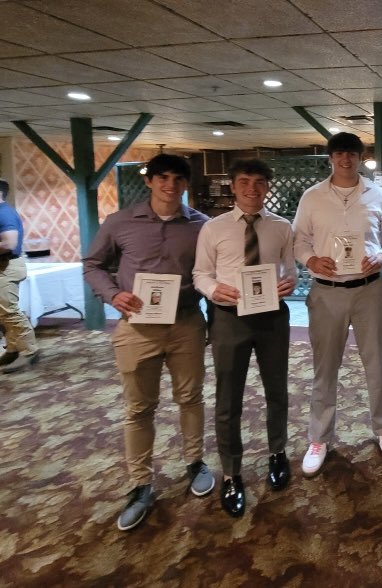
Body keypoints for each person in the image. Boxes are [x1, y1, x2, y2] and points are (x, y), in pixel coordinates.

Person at [82, 154, 213, 531]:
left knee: (190, 397)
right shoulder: (120, 222)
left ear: (186, 183)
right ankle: (140, 484)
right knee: (139, 407)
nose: (170, 185)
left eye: (177, 179)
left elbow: (210, 271)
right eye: (163, 178)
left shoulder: (201, 226)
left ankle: (194, 462)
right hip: (136, 328)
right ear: (151, 181)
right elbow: (93, 265)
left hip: (187, 323)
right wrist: (112, 295)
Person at [293, 132, 382, 477]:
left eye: (352, 154)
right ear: (331, 158)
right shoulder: (312, 197)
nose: (345, 159)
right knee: (325, 367)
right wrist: (311, 261)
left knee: (376, 364)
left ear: (360, 157)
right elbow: (299, 240)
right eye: (339, 154)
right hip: (326, 291)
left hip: (370, 289)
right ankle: (319, 436)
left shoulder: (377, 194)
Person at [194, 158, 296, 517]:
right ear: (234, 187)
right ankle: (232, 473)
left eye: (259, 183)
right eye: (244, 182)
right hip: (229, 319)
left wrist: (290, 282)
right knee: (228, 398)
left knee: (277, 391)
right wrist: (213, 290)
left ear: (267, 187)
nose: (252, 189)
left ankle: (277, 453)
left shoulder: (282, 227)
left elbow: (290, 269)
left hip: (271, 317)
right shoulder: (213, 228)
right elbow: (200, 273)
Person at [0, 179, 40, 374]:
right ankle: (13, 349)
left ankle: (29, 352)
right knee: (3, 313)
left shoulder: (4, 213)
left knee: (9, 312)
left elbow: (8, 243)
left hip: (6, 266)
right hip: (4, 266)